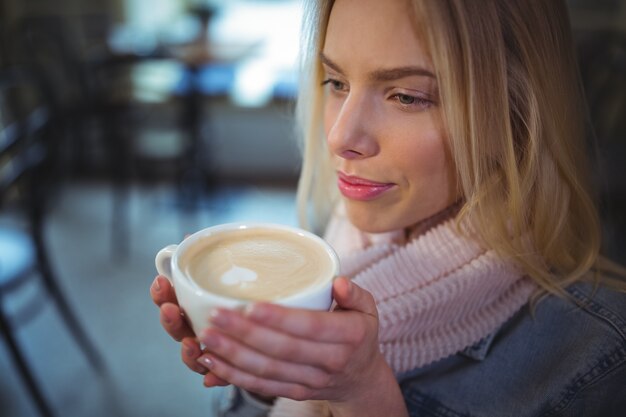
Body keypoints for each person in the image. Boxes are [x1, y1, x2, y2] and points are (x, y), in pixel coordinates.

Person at [150, 0, 626, 416]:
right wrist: (261, 377)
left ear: (516, 112)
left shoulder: (594, 353)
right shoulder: (334, 246)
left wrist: (362, 393)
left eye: (406, 96)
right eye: (335, 81)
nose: (340, 137)